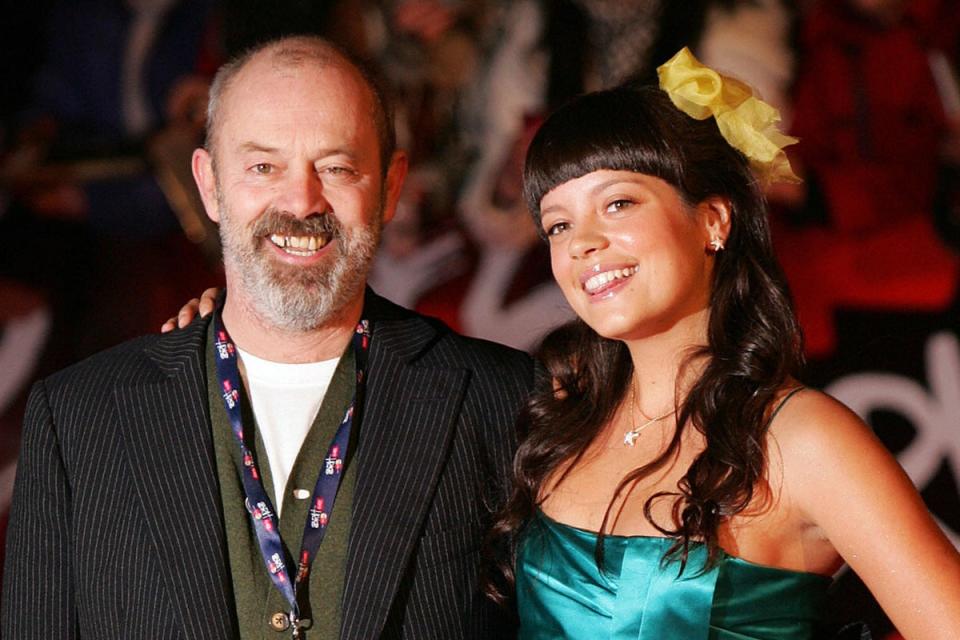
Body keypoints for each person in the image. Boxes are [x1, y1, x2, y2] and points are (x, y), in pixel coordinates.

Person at [1, 35, 534, 639]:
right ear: (208, 184)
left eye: (336, 167)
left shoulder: (506, 402)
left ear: (389, 186)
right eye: (263, 166)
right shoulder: (76, 420)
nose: (302, 200)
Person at [482, 49, 960, 638]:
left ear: (712, 220)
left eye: (618, 203)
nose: (583, 243)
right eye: (558, 224)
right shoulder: (563, 413)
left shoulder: (803, 440)